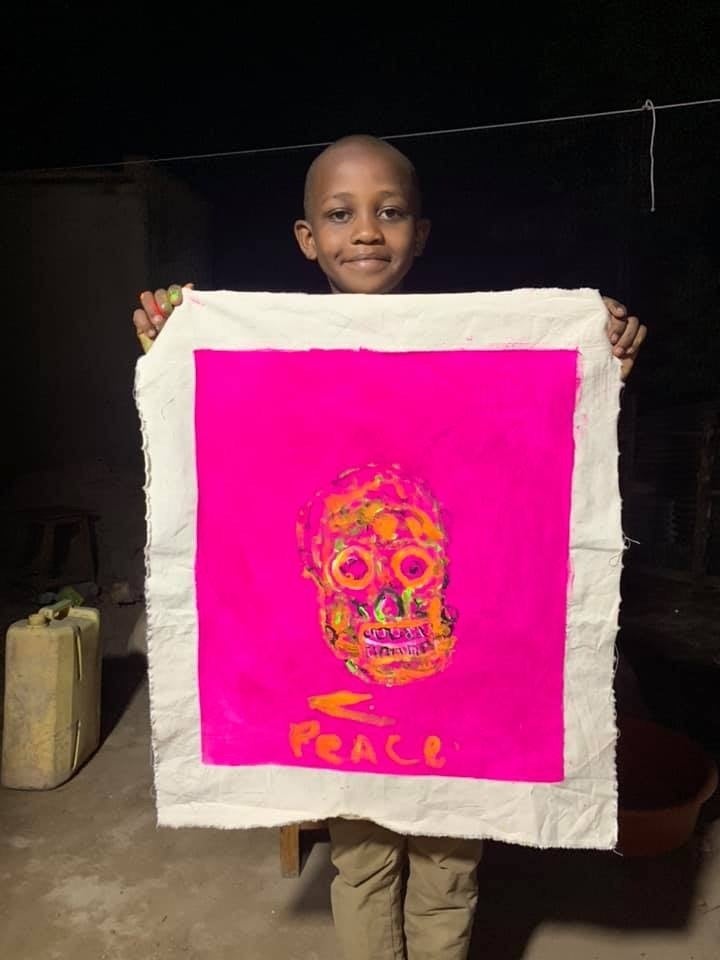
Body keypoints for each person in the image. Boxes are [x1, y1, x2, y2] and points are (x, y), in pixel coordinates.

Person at [132, 134, 647, 960]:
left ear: (421, 231)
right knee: (363, 861)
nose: (367, 231)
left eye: (390, 211)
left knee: (450, 865)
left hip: (462, 702)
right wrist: (173, 342)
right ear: (308, 238)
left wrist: (598, 351)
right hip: (342, 707)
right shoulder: (273, 358)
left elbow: (532, 442)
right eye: (341, 215)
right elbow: (233, 451)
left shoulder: (476, 352)